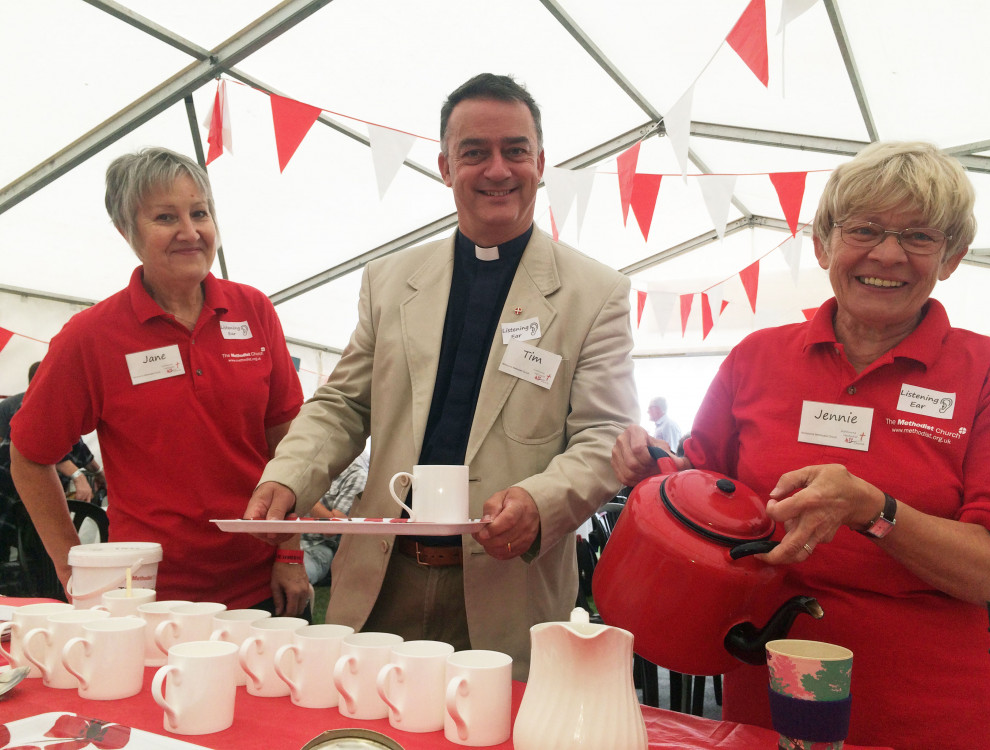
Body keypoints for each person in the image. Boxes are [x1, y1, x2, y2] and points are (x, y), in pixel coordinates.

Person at [245, 73, 638, 680]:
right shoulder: (390, 281)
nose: (498, 170)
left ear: (541, 162)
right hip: (381, 582)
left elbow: (602, 436)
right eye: (474, 152)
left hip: (509, 589)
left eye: (516, 150)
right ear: (445, 165)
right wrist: (288, 476)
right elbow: (345, 404)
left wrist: (539, 500)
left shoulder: (596, 294)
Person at [611, 142, 990, 749]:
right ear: (822, 244)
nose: (888, 254)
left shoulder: (986, 370)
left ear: (949, 258)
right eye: (865, 229)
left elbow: (989, 572)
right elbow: (703, 490)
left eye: (919, 236)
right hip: (766, 684)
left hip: (926, 706)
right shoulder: (756, 358)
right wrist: (651, 468)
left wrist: (876, 511)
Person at [10, 147, 310, 615]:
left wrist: (290, 551)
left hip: (260, 588)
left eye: (200, 213)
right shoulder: (91, 336)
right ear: (126, 231)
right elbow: (29, 457)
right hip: (148, 600)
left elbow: (287, 446)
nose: (190, 233)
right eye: (166, 217)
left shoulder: (253, 310)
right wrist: (72, 568)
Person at [0, 362, 101, 504]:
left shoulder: (60, 409)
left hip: (32, 490)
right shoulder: (29, 409)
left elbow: (78, 446)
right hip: (11, 490)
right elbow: (39, 446)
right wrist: (78, 476)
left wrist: (99, 473)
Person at [301, 451, 369, 585]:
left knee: (292, 579)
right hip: (289, 540)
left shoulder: (356, 475)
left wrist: (303, 493)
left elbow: (332, 529)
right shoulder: (308, 462)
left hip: (318, 547)